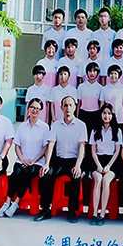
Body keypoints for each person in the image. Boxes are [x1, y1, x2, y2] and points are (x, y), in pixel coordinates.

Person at [35, 95, 87, 223]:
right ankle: (45, 209)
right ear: (61, 107)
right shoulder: (56, 125)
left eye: (70, 105)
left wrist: (78, 165)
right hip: (58, 160)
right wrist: (46, 164)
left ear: (75, 107)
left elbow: (82, 147)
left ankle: (72, 211)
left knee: (76, 177)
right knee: (46, 174)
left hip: (74, 160)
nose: (68, 108)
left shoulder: (81, 125)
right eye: (65, 105)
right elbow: (51, 144)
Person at [0, 98, 50, 217]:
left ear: (41, 111)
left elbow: (45, 148)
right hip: (22, 159)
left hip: (37, 162)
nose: (34, 110)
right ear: (28, 109)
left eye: (37, 108)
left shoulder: (44, 127)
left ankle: (16, 202)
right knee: (16, 172)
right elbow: (17, 145)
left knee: (27, 172)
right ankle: (7, 202)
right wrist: (22, 159)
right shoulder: (22, 126)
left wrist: (34, 160)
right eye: (32, 107)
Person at [89, 103, 123, 225]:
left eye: (109, 113)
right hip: (97, 161)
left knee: (106, 180)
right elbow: (93, 151)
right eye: (104, 113)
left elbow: (117, 151)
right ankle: (94, 214)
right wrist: (98, 165)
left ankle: (102, 214)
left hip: (112, 162)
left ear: (113, 115)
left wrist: (109, 166)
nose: (106, 116)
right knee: (98, 179)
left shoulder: (117, 131)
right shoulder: (95, 130)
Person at [100, 64, 123, 130]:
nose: (113, 76)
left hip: (119, 119)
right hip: (107, 120)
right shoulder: (104, 89)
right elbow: (101, 106)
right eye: (111, 73)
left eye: (115, 73)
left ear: (119, 75)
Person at [77, 61, 102, 134]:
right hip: (83, 114)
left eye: (94, 71)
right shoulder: (81, 86)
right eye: (90, 71)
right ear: (86, 72)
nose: (92, 73)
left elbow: (100, 104)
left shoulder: (100, 88)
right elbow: (79, 103)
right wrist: (77, 117)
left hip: (95, 114)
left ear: (97, 73)